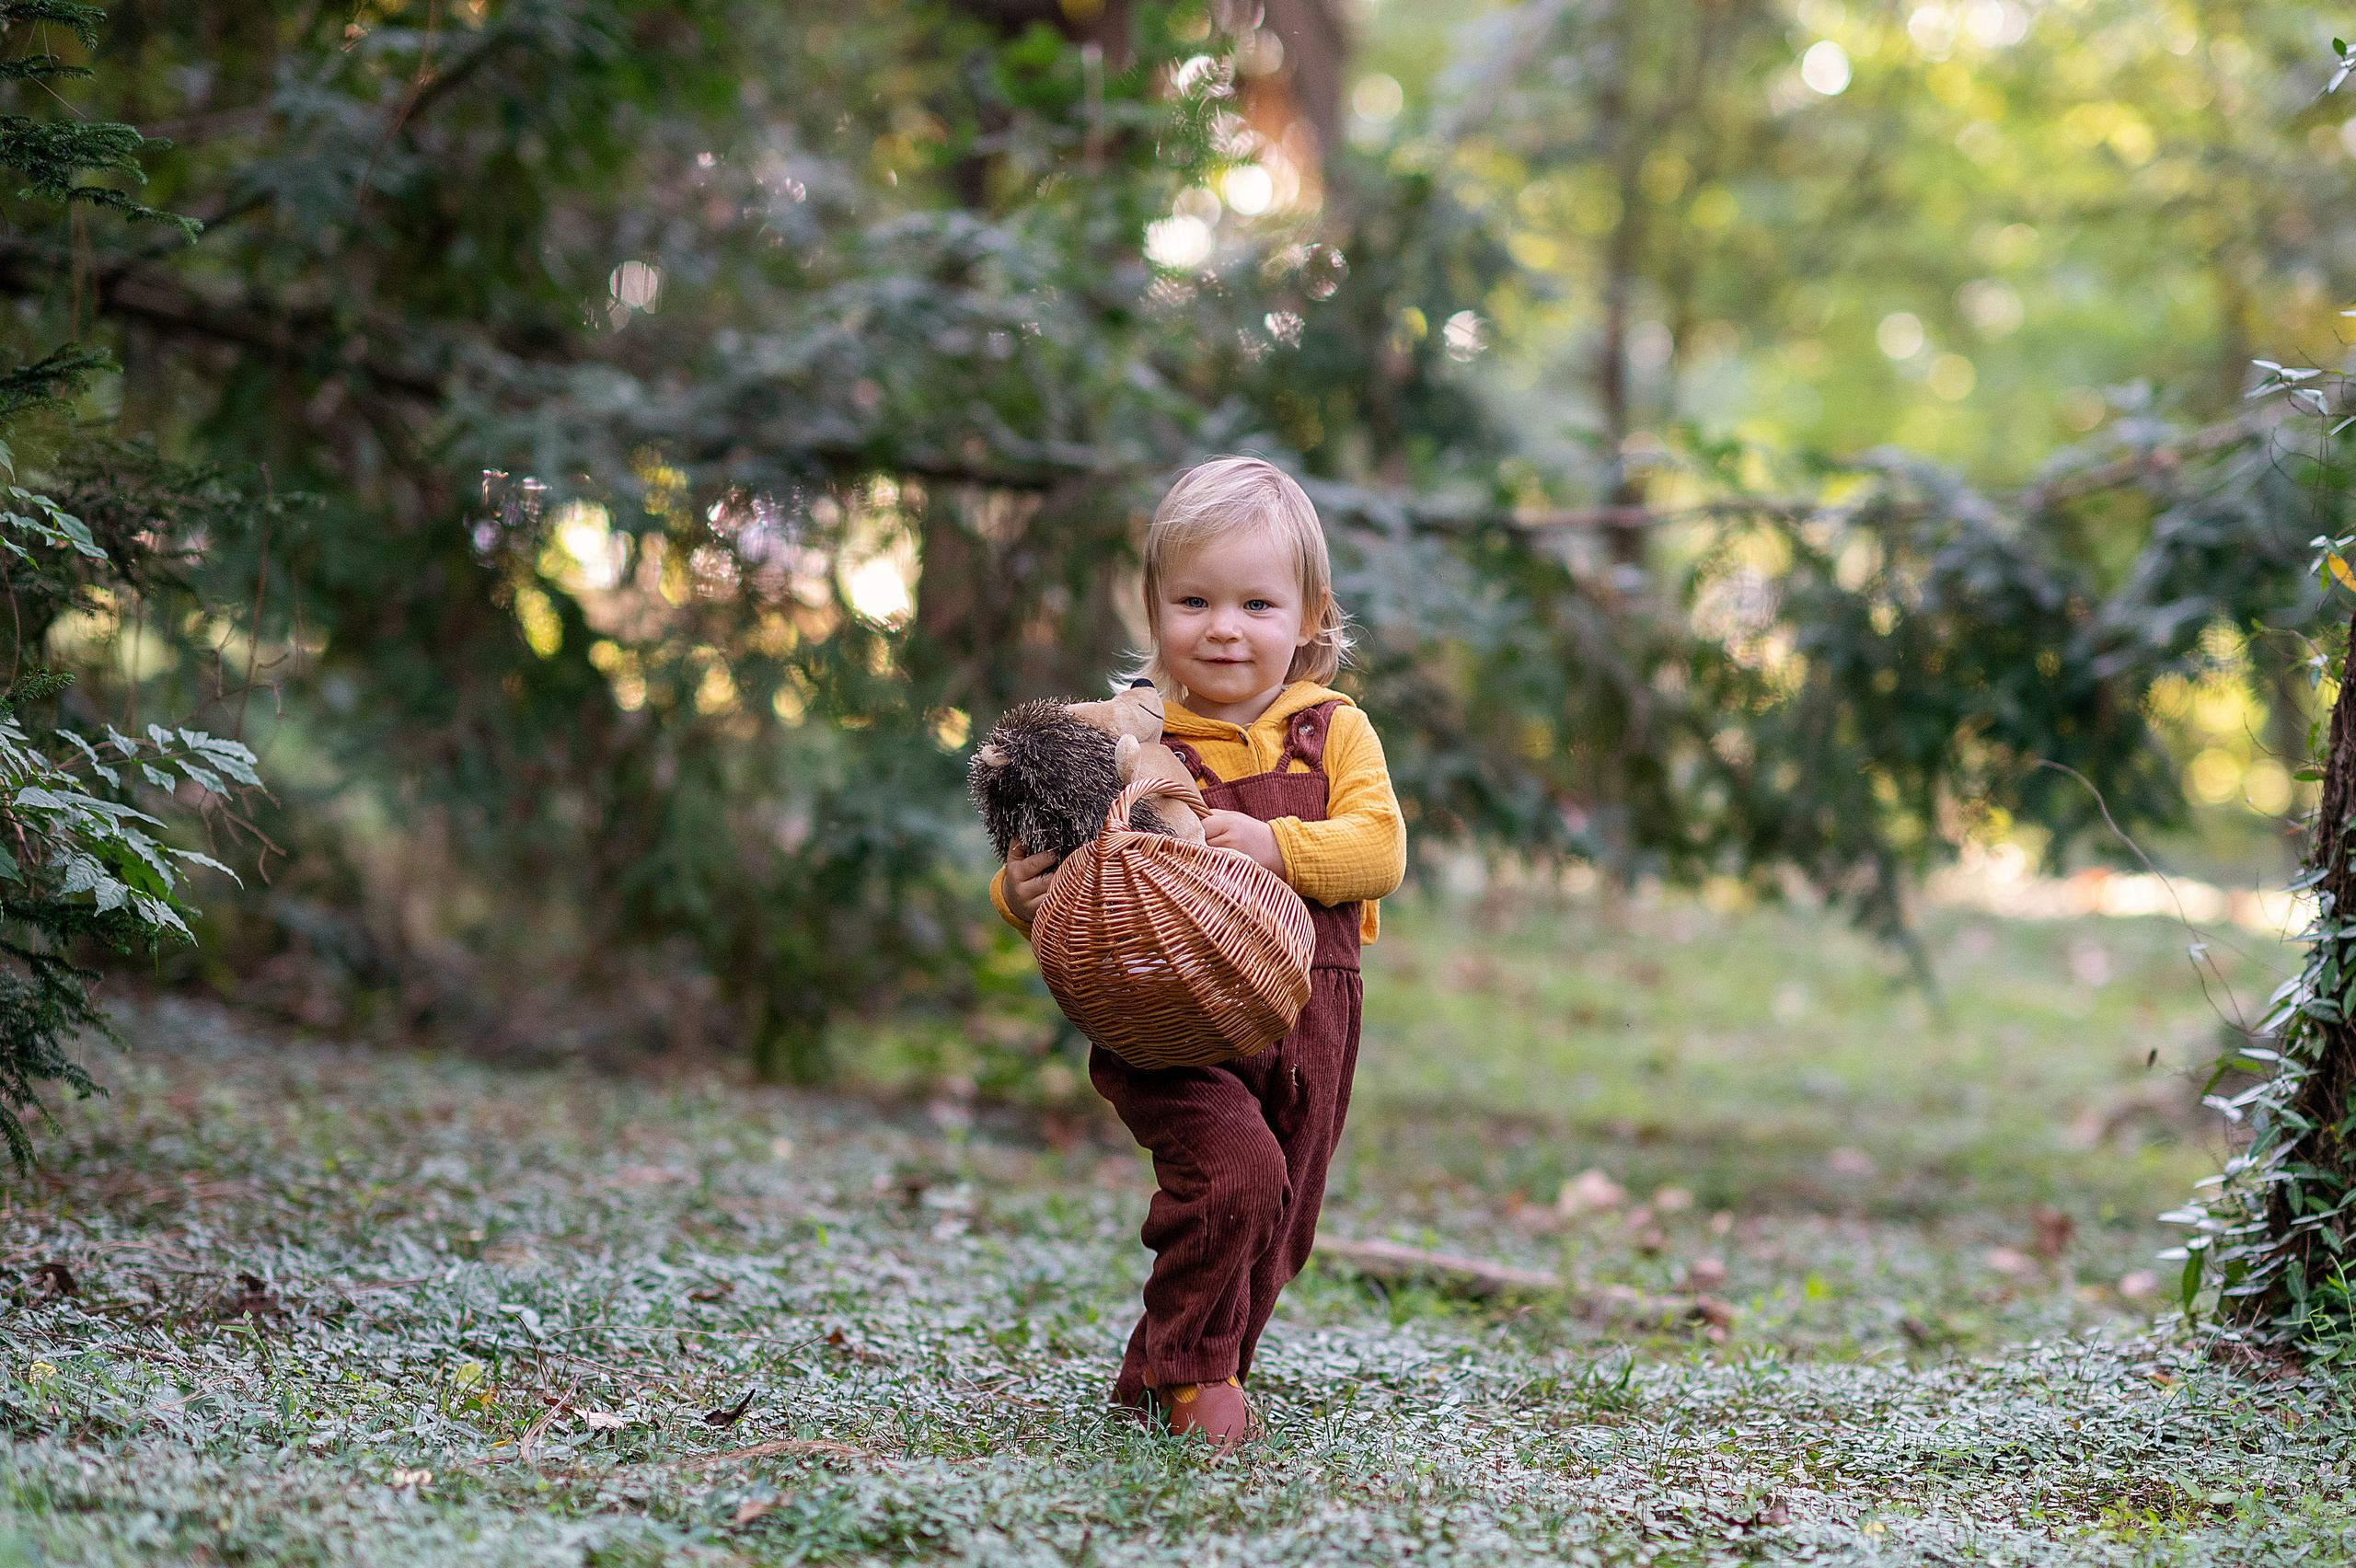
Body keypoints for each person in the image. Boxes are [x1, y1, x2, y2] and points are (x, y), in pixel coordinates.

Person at [988, 456, 1406, 1453]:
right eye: (1194, 600)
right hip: (1165, 1012)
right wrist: (1022, 896)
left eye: (1257, 603)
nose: (1224, 626)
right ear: (1153, 607)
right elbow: (1046, 872)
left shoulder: (1332, 732)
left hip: (1313, 1001)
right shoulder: (1124, 743)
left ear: (1308, 616)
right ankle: (1187, 1375)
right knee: (1233, 1176)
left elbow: (1381, 849)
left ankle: (1182, 1372)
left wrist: (1276, 846)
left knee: (1282, 1219)